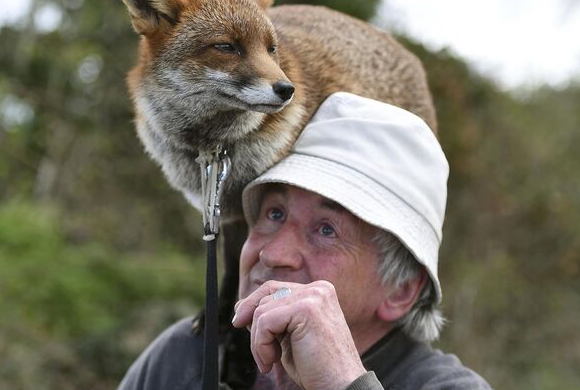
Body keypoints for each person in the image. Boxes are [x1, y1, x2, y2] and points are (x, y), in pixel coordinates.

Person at [118, 92, 492, 390]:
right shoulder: (187, 358)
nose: (272, 252)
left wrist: (344, 385)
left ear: (401, 290)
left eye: (327, 230)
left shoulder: (444, 386)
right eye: (275, 214)